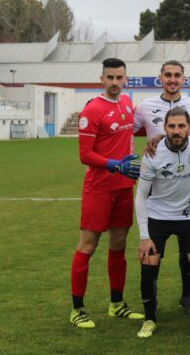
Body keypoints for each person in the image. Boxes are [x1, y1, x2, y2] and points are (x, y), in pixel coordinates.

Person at [70, 57, 144, 329]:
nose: (114, 82)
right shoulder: (91, 110)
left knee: (119, 246)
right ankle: (77, 309)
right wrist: (114, 164)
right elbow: (84, 155)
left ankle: (116, 304)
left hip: (125, 187)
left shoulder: (126, 103)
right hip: (99, 189)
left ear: (125, 79)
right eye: (110, 78)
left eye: (119, 78)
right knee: (87, 247)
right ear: (101, 79)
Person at [134, 60, 190, 315]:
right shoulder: (145, 106)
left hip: (187, 178)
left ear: (184, 79)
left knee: (188, 251)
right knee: (156, 251)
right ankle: (150, 313)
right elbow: (126, 131)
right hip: (158, 184)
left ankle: (188, 295)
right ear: (160, 78)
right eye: (168, 75)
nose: (172, 79)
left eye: (177, 75)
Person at [134, 107, 190, 337]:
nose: (176, 131)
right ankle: (150, 319)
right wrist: (143, 236)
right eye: (172, 126)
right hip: (157, 218)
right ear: (165, 128)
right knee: (149, 268)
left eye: (181, 126)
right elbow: (141, 195)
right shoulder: (153, 153)